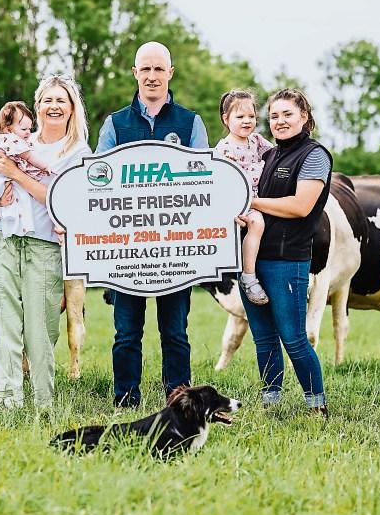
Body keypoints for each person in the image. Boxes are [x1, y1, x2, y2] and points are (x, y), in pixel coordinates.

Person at [96, 41, 209, 408]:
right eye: (145, 69)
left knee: (175, 332)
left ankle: (180, 400)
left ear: (170, 73)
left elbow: (205, 184)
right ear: (135, 73)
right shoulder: (115, 124)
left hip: (174, 250)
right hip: (127, 251)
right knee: (126, 332)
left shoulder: (190, 123)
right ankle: (125, 399)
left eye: (159, 69)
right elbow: (97, 187)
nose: (152, 76)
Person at [0, 76, 90, 410]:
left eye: (61, 100)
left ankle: (44, 401)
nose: (54, 106)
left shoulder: (78, 152)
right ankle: (9, 401)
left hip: (44, 245)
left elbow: (62, 200)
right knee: (3, 322)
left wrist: (16, 173)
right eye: (47, 100)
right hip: (1, 238)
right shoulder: (16, 138)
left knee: (42, 328)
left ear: (72, 109)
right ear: (38, 105)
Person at [236, 88, 332, 417]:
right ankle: (271, 403)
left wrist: (247, 201)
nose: (280, 121)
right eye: (274, 116)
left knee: (293, 338)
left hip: (287, 261)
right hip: (252, 261)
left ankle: (317, 406)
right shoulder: (269, 155)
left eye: (287, 114)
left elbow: (300, 206)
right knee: (263, 338)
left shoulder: (314, 155)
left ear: (304, 116)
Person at [214, 90, 274, 305]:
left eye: (251, 116)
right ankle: (248, 276)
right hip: (240, 201)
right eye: (240, 117)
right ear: (226, 119)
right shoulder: (224, 149)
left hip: (263, 196)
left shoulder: (256, 140)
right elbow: (221, 182)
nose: (247, 121)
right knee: (256, 223)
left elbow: (275, 155)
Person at [0, 101, 52, 238]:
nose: (28, 133)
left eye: (30, 129)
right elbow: (30, 156)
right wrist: (45, 166)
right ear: (8, 129)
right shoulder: (13, 141)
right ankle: (18, 227)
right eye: (24, 129)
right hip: (0, 178)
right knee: (15, 199)